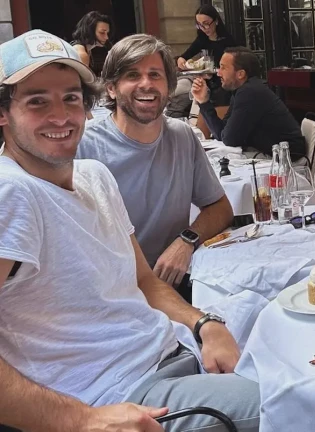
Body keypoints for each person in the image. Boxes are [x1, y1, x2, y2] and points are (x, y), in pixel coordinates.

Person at [0, 29, 259, 432]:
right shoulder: (11, 193)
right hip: (117, 397)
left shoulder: (94, 176)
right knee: (306, 403)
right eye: (37, 101)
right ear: (3, 112)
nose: (61, 116)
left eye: (70, 98)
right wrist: (83, 420)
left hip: (171, 354)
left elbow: (143, 280)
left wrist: (203, 323)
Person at [76, 34, 233, 302]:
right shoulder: (82, 146)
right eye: (133, 75)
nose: (146, 84)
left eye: (155, 75)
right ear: (112, 88)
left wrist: (186, 240)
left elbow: (220, 208)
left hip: (174, 285)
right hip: (108, 295)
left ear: (169, 87)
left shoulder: (182, 136)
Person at [192, 46, 305, 160]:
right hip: (269, 153)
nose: (218, 73)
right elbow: (223, 133)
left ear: (240, 74)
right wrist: (204, 101)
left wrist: (225, 133)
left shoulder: (249, 92)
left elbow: (230, 139)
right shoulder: (242, 91)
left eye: (223, 68)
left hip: (284, 158)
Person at [167, 4, 236, 119]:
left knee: (218, 122)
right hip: (207, 88)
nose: (204, 28)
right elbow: (184, 56)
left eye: (206, 23)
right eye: (199, 25)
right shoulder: (202, 39)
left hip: (224, 88)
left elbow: (232, 67)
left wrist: (212, 72)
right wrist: (182, 61)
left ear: (216, 21)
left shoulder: (228, 41)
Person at [71, 10, 113, 77]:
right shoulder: (81, 53)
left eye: (107, 33)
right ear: (89, 31)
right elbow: (84, 82)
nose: (106, 37)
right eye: (102, 32)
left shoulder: (86, 49)